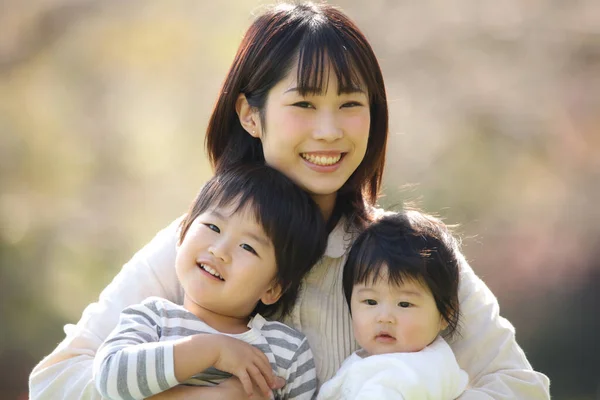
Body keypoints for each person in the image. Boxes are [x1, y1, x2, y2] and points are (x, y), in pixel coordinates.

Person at [29, 2, 551, 399]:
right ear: (251, 115)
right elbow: (55, 383)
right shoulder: (201, 244)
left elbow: (520, 386)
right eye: (303, 103)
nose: (329, 131)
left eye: (350, 104)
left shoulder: (408, 252)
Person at [93, 164, 327, 400]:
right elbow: (110, 380)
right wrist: (213, 351)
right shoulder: (154, 319)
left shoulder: (286, 350)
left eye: (248, 247)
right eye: (213, 227)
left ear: (273, 288)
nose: (219, 250)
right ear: (182, 236)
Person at [317, 210, 469, 399]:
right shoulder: (433, 361)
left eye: (404, 304)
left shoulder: (402, 375)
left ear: (446, 313)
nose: (384, 317)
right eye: (370, 301)